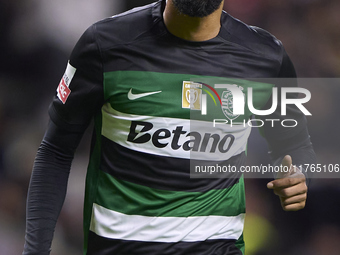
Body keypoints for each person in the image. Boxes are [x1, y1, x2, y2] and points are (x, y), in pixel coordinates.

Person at [23, 0, 316, 254]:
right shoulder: (105, 45)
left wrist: (298, 177)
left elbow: (296, 147)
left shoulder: (266, 58)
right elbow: (56, 150)